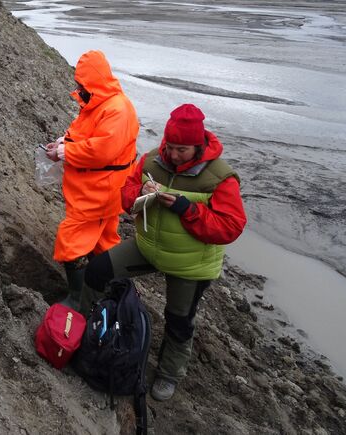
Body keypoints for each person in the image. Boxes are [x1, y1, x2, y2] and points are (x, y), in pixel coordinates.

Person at [83, 103, 247, 401]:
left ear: (198, 146)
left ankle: (169, 373)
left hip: (191, 265)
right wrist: (139, 193)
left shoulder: (221, 177)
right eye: (169, 146)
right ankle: (92, 332)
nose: (172, 154)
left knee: (179, 319)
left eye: (181, 149)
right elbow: (125, 195)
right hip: (149, 248)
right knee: (96, 273)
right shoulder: (151, 161)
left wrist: (188, 210)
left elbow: (230, 227)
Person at [44, 49, 139, 313]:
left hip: (99, 192)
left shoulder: (117, 109)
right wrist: (64, 142)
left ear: (94, 81)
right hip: (96, 190)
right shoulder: (99, 102)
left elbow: (102, 150)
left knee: (71, 239)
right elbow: (86, 134)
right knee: (104, 240)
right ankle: (110, 290)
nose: (78, 88)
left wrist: (64, 152)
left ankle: (77, 298)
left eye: (81, 84)